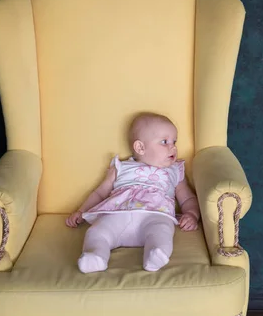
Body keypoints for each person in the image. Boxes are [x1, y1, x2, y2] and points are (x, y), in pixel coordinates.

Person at [66, 112, 200, 273]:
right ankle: (95, 256)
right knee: (97, 232)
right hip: (117, 214)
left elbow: (187, 199)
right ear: (140, 147)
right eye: (164, 142)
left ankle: (156, 254)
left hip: (155, 215)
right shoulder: (120, 167)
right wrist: (81, 211)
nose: (173, 147)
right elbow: (100, 193)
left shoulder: (175, 170)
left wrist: (192, 214)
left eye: (174, 141)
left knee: (162, 231)